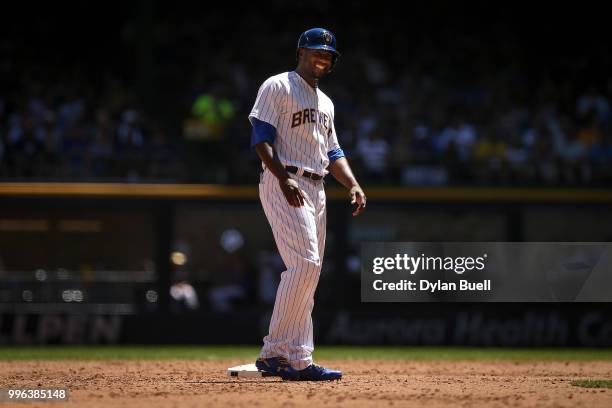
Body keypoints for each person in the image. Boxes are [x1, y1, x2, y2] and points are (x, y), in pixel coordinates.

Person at [248, 28, 366, 381]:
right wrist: (282, 177)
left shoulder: (326, 102)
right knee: (305, 264)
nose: (323, 59)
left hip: (317, 187)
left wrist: (353, 182)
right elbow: (260, 137)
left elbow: (334, 152)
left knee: (309, 274)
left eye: (328, 55)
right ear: (300, 51)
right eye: (317, 52)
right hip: (285, 180)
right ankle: (274, 353)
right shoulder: (277, 86)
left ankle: (298, 358)